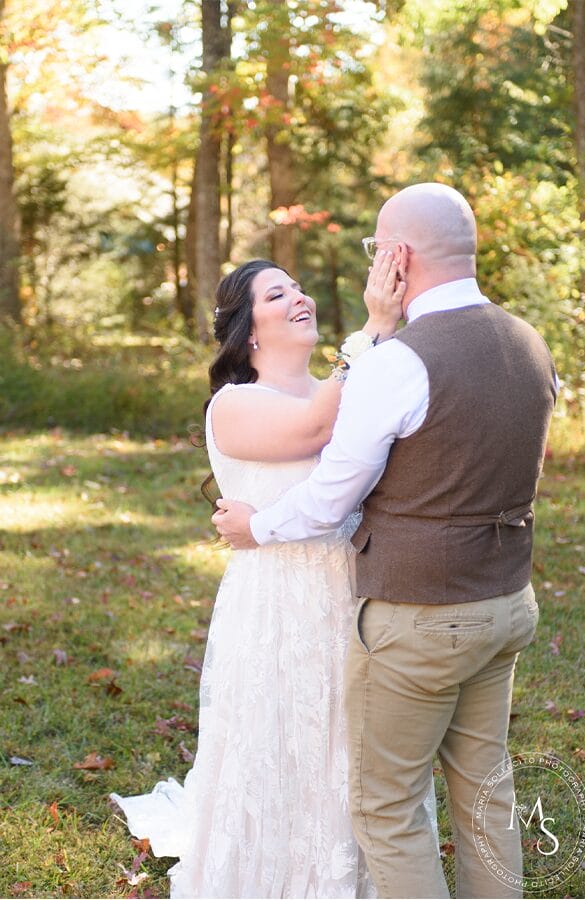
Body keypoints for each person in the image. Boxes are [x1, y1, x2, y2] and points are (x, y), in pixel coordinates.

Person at [213, 183, 558, 900]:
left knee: (388, 804)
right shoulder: (528, 342)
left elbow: (334, 486)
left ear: (397, 256)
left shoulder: (398, 363)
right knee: (484, 786)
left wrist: (257, 526)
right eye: (276, 296)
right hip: (502, 600)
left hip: (414, 611)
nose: (297, 298)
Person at [111, 255, 438, 898]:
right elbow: (315, 427)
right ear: (248, 330)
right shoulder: (234, 405)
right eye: (276, 294)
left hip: (353, 590)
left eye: (299, 287)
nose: (299, 297)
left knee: (351, 742)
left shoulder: (341, 384)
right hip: (276, 601)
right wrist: (374, 328)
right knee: (284, 740)